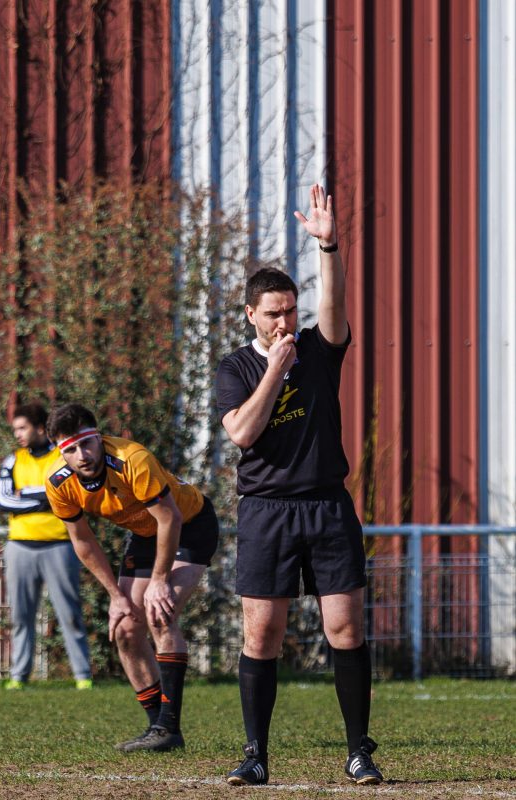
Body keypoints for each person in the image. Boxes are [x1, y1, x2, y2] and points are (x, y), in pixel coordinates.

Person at [215, 184, 383, 786]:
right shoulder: (236, 367)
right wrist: (273, 372)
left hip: (327, 506)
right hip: (266, 511)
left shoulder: (317, 348)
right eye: (274, 313)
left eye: (291, 309)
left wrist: (329, 246)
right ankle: (256, 754)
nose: (287, 321)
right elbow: (242, 433)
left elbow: (335, 310)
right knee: (263, 632)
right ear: (251, 316)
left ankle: (359, 749)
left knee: (346, 628)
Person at [44, 403, 219, 752]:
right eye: (71, 449)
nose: (82, 455)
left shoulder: (131, 459)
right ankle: (158, 728)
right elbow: (83, 541)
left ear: (100, 437)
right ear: (59, 452)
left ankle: (169, 727)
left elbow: (170, 518)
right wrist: (116, 596)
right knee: (125, 627)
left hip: (190, 525)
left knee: (159, 614)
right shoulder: (58, 482)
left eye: (87, 443)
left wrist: (159, 581)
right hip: (144, 534)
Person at [0, 402, 92, 690]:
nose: (18, 435)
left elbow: (70, 493)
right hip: (20, 546)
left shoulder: (63, 457)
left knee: (69, 612)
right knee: (21, 615)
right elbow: (3, 500)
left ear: (40, 428)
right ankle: (19, 676)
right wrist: (45, 497)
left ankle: (83, 676)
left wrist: (27, 495)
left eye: (23, 428)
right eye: (15, 430)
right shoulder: (13, 461)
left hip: (59, 545)